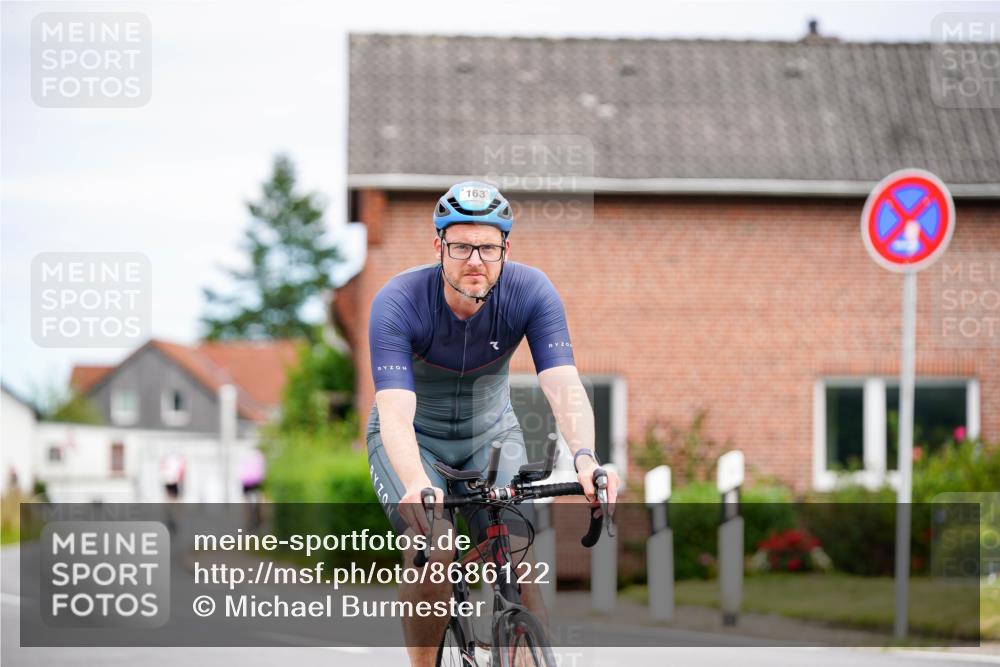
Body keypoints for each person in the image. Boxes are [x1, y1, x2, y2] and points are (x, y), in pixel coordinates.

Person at [366, 181, 620, 667]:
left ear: (506, 248)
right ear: (438, 246)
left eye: (488, 247)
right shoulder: (398, 301)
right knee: (434, 549)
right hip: (414, 443)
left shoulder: (531, 291)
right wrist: (418, 483)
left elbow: (563, 383)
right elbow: (396, 412)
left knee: (520, 564)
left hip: (491, 438)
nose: (475, 260)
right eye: (461, 246)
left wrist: (586, 457)